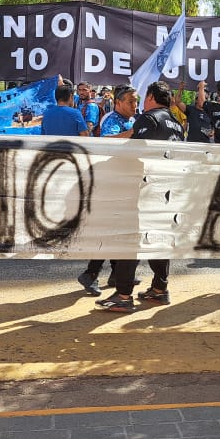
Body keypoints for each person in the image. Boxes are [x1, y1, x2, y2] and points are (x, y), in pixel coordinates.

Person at [97, 81, 183, 313]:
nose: (141, 103)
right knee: (159, 238)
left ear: (152, 97)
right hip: (167, 189)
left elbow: (134, 151)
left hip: (142, 187)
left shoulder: (148, 118)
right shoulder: (176, 124)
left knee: (130, 238)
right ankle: (159, 289)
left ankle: (123, 295)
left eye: (143, 98)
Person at [76, 85, 140, 296]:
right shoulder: (111, 120)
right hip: (111, 183)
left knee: (117, 231)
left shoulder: (131, 119)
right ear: (119, 102)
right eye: (131, 102)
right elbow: (105, 143)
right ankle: (91, 273)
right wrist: (132, 133)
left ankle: (114, 273)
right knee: (111, 231)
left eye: (136, 101)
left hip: (125, 181)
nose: (134, 105)